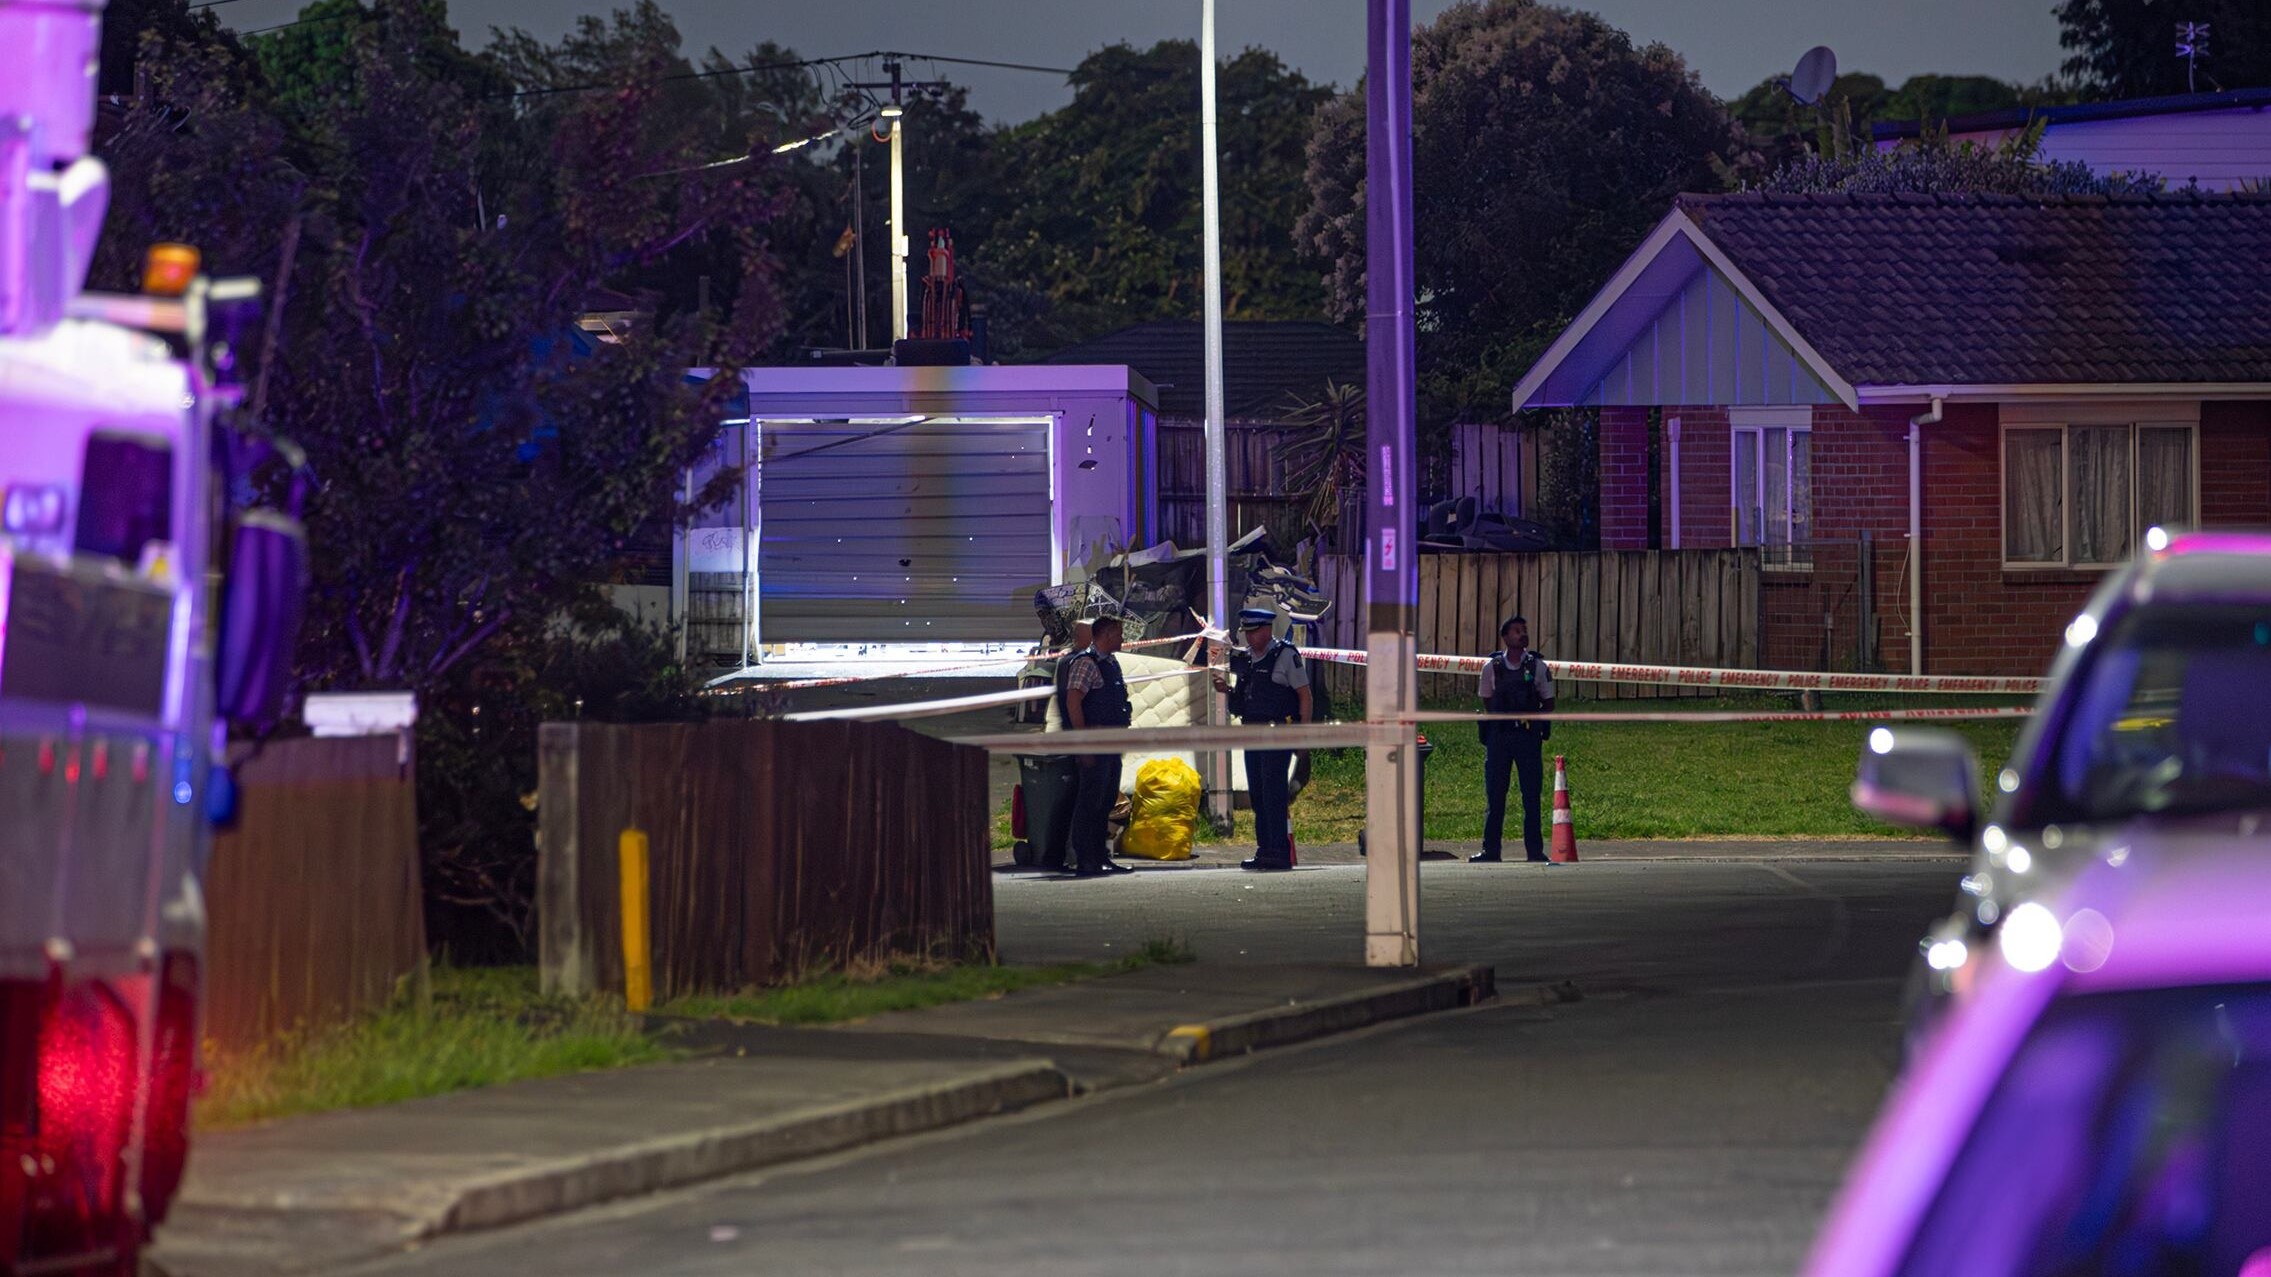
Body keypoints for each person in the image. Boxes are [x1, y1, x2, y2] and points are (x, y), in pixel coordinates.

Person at [1214, 607, 1311, 872]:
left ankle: (1279, 852)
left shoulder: (1285, 655)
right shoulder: (1247, 659)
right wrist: (1226, 690)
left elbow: (1304, 695)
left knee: (1273, 794)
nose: (1249, 637)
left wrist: (1303, 734)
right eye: (1246, 632)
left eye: (1254, 631)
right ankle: (1265, 849)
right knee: (1258, 794)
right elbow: (1244, 698)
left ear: (1267, 630)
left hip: (1276, 733)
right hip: (1252, 733)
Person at [1473, 615, 1556, 863]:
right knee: (1495, 795)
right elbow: (1487, 699)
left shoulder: (1537, 666)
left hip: (1527, 738)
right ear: (1505, 637)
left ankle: (1535, 852)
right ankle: (1490, 851)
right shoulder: (1491, 667)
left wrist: (1533, 721)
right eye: (1517, 631)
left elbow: (1548, 702)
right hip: (1499, 738)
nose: (1522, 634)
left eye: (1524, 630)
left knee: (1531, 796)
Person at [1062, 615, 1135, 877]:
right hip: (1095, 744)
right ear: (1106, 635)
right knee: (1090, 803)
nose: (1123, 639)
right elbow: (1073, 702)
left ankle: (1100, 856)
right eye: (1119, 634)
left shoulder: (1110, 663)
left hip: (1111, 744)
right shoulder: (1086, 663)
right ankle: (1086, 860)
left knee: (1105, 801)